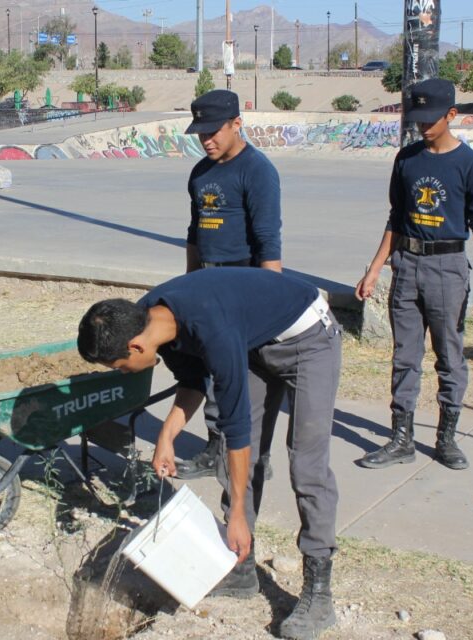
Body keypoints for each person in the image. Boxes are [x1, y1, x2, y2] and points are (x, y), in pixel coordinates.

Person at [78, 268, 341, 640]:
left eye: (119, 367)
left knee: (307, 464)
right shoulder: (148, 319)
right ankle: (241, 568)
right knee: (240, 462)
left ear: (136, 347)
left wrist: (235, 513)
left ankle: (318, 593)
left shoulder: (210, 328)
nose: (122, 373)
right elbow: (193, 381)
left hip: (308, 339)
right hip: (253, 342)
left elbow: (234, 430)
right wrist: (167, 435)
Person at [354, 78, 473, 471]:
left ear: (452, 115)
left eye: (431, 119)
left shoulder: (470, 164)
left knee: (449, 356)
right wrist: (376, 267)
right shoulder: (407, 159)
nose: (422, 126)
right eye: (417, 119)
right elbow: (396, 218)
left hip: (448, 268)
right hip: (407, 265)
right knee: (405, 357)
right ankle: (402, 438)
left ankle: (446, 439)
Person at [176, 88, 283, 482]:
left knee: (250, 377)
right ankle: (216, 447)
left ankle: (256, 454)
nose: (207, 140)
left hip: (245, 284)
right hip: (207, 283)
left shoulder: (257, 170)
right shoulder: (200, 172)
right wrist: (188, 287)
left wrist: (272, 301)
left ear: (237, 123)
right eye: (201, 133)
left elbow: (268, 239)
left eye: (214, 131)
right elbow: (194, 232)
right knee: (213, 372)